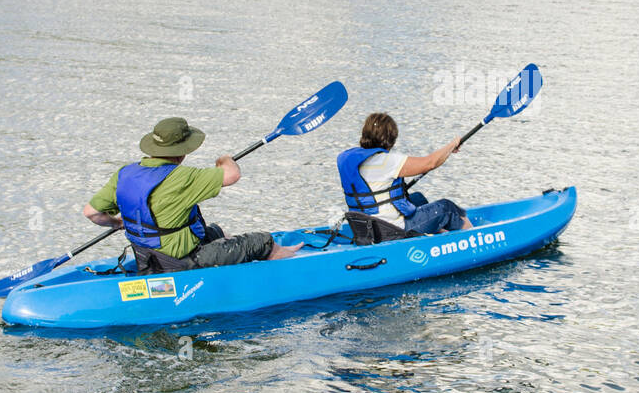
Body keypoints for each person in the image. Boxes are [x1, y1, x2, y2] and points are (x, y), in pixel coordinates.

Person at [83, 116, 301, 274]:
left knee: (216, 232)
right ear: (182, 152)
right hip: (182, 262)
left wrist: (117, 223)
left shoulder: (125, 173)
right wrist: (224, 159)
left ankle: (235, 265)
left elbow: (91, 212)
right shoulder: (183, 176)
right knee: (262, 241)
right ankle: (293, 263)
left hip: (147, 258)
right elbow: (232, 174)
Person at [336, 112, 472, 235]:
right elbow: (430, 163)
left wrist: (447, 152)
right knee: (447, 208)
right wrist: (451, 145)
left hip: (365, 227)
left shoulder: (348, 159)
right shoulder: (386, 161)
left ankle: (437, 235)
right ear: (391, 139)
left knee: (417, 199)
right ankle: (473, 237)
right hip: (391, 229)